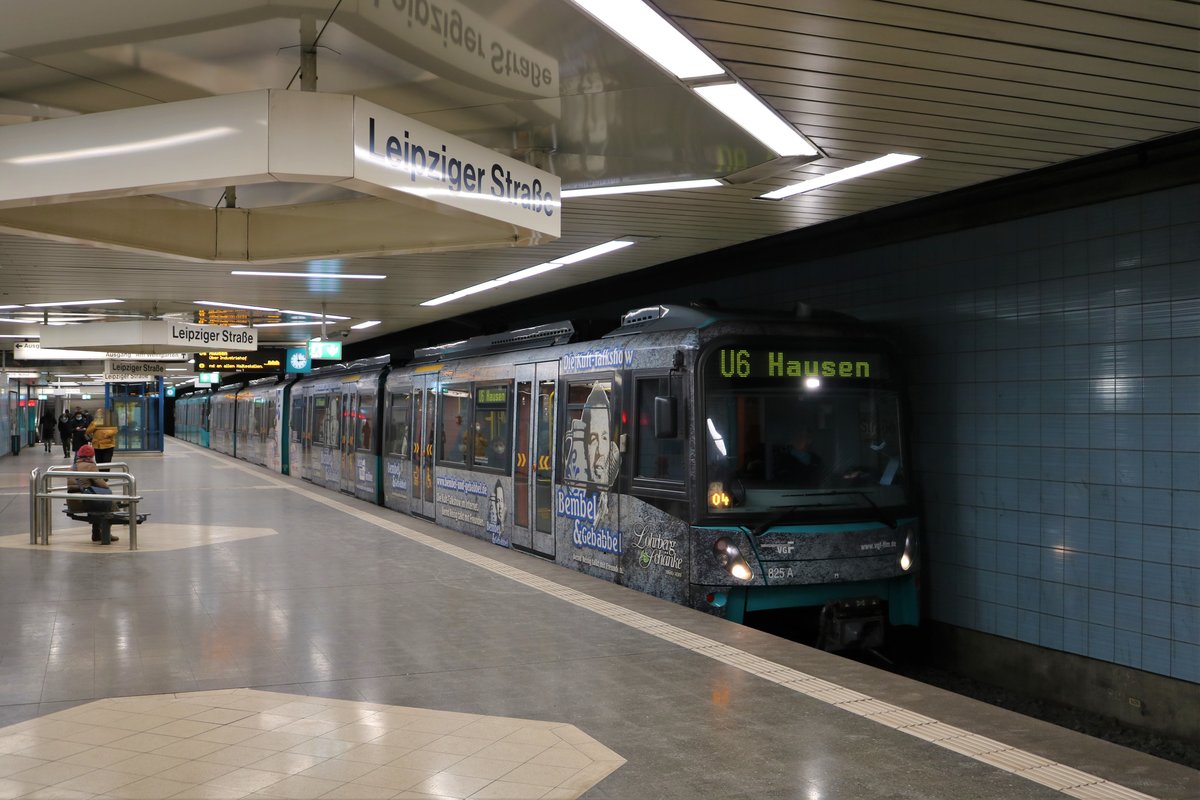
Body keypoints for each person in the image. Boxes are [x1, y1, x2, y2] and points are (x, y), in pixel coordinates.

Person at [67, 444, 118, 545]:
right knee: (108, 504)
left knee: (95, 503)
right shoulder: (90, 466)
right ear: (91, 456)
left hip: (72, 501)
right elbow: (102, 485)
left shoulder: (73, 466)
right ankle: (105, 533)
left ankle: (96, 533)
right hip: (84, 501)